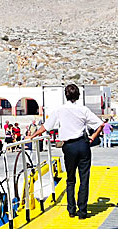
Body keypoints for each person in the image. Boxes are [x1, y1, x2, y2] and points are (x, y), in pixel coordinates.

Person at [26, 84, 105, 220]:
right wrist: (93, 137)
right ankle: (82, 211)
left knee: (70, 179)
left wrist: (32, 136)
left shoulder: (60, 110)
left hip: (69, 147)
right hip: (83, 144)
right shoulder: (83, 109)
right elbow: (100, 124)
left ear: (66, 95)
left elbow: (46, 126)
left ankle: (71, 210)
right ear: (78, 95)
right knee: (84, 178)